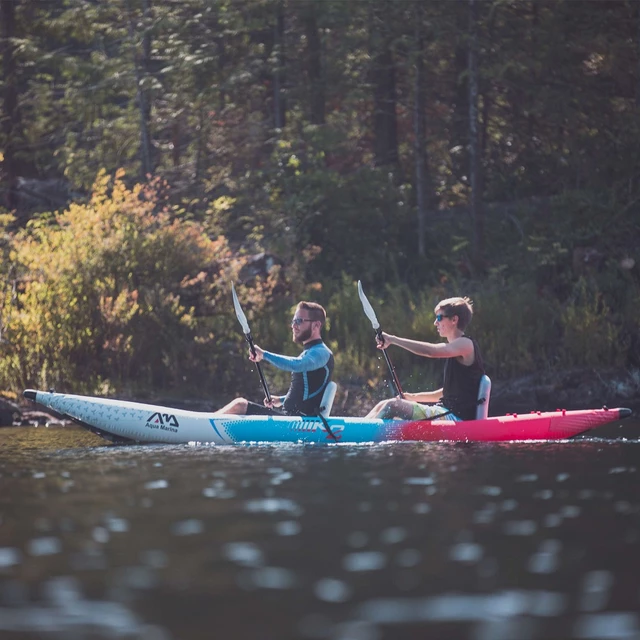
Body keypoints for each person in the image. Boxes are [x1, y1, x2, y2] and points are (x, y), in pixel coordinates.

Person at [364, 296, 485, 421]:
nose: (435, 323)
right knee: (384, 404)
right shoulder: (455, 349)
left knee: (393, 406)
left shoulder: (466, 344)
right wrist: (411, 397)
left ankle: (360, 434)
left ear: (454, 319)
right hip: (444, 412)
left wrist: (393, 339)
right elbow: (446, 393)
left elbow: (431, 351)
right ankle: (355, 427)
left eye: (439, 318)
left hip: (455, 418)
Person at [214, 301, 334, 416]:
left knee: (240, 405)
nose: (293, 326)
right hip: (291, 418)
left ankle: (202, 423)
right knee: (239, 405)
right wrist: (281, 400)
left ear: (316, 325)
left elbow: (297, 365)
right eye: (293, 321)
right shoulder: (310, 352)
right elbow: (307, 392)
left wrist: (264, 354)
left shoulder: (321, 353)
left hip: (297, 422)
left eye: (299, 321)